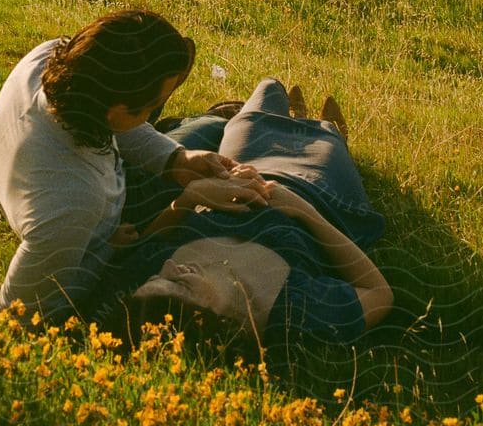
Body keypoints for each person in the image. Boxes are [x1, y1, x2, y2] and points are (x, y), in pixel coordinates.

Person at [0, 9, 267, 322]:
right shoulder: (73, 206)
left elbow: (115, 122)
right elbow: (18, 315)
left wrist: (176, 158)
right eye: (151, 107)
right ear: (118, 110)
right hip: (97, 223)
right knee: (212, 227)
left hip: (96, 194)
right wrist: (103, 249)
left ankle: (220, 119)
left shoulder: (49, 58)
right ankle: (235, 119)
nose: (150, 116)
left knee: (203, 137)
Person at [103, 78, 392, 348]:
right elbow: (379, 294)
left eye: (157, 276)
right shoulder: (287, 311)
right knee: (324, 136)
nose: (169, 267)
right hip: (318, 193)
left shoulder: (148, 290)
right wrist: (303, 211)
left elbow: (145, 244)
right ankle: (322, 130)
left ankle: (298, 120)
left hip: (245, 167)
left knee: (268, 88)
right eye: (180, 284)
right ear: (207, 319)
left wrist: (190, 198)